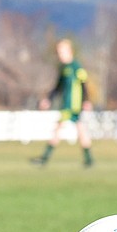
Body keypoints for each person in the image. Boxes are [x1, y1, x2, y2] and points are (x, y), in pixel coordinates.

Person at [30, 38, 94, 168]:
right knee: (79, 130)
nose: (59, 54)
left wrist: (86, 101)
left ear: (69, 51)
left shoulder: (76, 66)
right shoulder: (63, 68)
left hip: (73, 105)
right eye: (58, 51)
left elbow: (84, 84)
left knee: (60, 129)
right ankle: (88, 159)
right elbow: (58, 87)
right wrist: (48, 99)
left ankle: (45, 158)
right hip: (66, 104)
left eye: (62, 51)